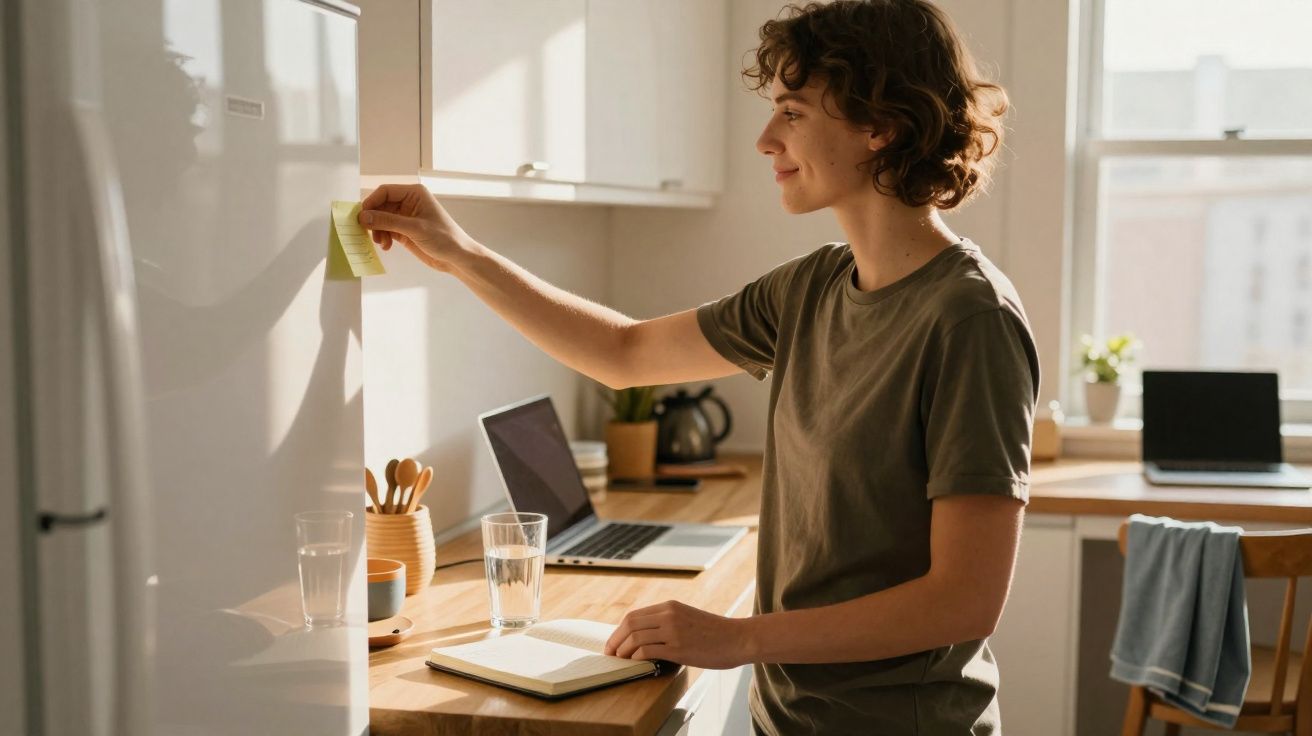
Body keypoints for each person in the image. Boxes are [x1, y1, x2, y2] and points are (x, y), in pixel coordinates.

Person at [358, 1, 1037, 732]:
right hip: (792, 717)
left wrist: (740, 637)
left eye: (793, 111)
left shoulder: (970, 320)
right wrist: (460, 254)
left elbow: (962, 600)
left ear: (881, 124)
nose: (765, 138)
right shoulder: (812, 286)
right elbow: (624, 353)